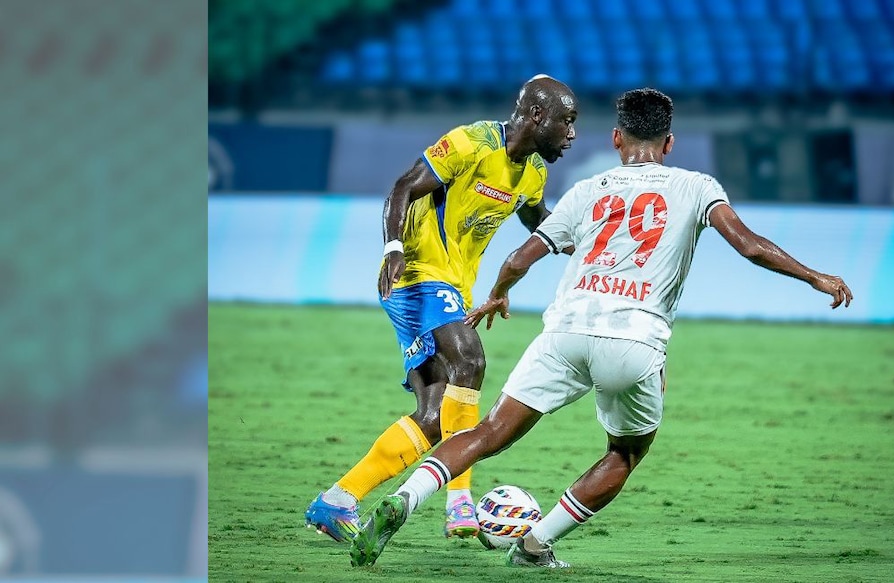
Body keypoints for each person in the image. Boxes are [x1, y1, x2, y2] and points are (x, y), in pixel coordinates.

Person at [348, 88, 853, 568]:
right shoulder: (697, 186)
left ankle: (404, 499)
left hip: (564, 331)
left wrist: (500, 293)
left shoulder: (587, 190)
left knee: (490, 431)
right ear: (669, 143)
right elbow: (749, 245)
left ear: (616, 139)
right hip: (634, 341)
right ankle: (534, 546)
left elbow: (521, 256)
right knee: (624, 452)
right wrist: (815, 276)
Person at [305, 75, 578, 543]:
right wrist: (392, 246)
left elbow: (538, 222)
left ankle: (337, 501)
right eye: (567, 122)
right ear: (537, 116)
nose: (572, 134)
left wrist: (588, 240)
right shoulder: (470, 143)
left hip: (452, 286)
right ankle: (459, 501)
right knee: (470, 360)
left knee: (434, 418)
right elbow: (403, 187)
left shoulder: (533, 173)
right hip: (416, 273)